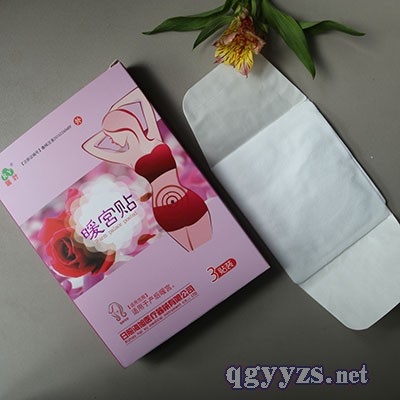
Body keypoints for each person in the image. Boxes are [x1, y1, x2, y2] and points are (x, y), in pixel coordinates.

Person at [82, 88, 212, 251]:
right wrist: (110, 122)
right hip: (165, 211)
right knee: (197, 254)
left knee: (211, 245)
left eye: (111, 136)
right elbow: (88, 146)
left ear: (124, 129)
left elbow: (139, 96)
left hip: (186, 199)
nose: (111, 141)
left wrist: (115, 110)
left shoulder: (153, 137)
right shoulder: (129, 156)